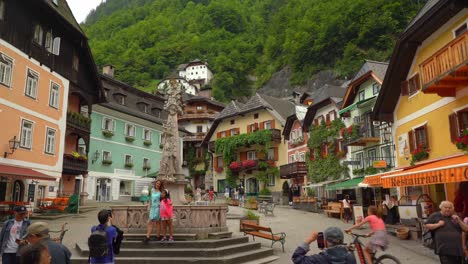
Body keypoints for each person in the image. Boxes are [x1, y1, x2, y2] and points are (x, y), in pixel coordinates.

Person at [292, 226, 356, 264]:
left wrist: (309, 240)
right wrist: (326, 250)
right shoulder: (351, 256)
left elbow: (296, 258)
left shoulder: (318, 259)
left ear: (325, 241)